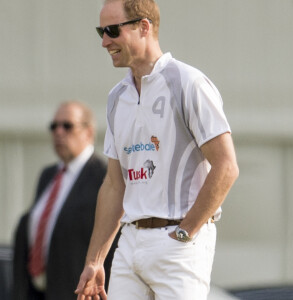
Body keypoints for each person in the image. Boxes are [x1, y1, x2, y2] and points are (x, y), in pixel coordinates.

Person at [75, 0, 239, 299]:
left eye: (112, 30)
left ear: (144, 27)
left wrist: (185, 232)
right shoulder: (117, 98)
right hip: (129, 244)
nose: (104, 41)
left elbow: (227, 166)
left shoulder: (188, 82)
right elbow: (114, 185)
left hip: (179, 244)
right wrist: (95, 260)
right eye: (101, 30)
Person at [12, 101, 119, 300]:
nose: (59, 132)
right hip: (39, 291)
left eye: (67, 126)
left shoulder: (104, 179)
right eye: (54, 126)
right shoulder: (48, 175)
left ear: (88, 132)